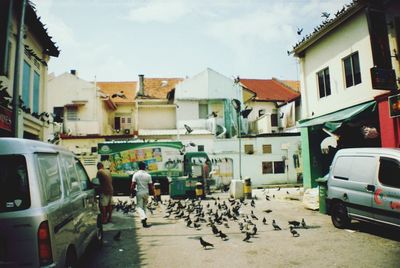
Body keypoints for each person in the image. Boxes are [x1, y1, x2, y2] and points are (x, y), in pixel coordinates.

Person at [131, 161, 153, 228]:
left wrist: (132, 193)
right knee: (144, 207)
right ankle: (144, 222)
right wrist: (153, 194)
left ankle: (143, 218)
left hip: (139, 192)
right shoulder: (148, 175)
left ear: (138, 167)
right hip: (146, 193)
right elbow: (150, 186)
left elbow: (133, 185)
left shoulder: (136, 174)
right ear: (145, 167)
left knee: (139, 207)